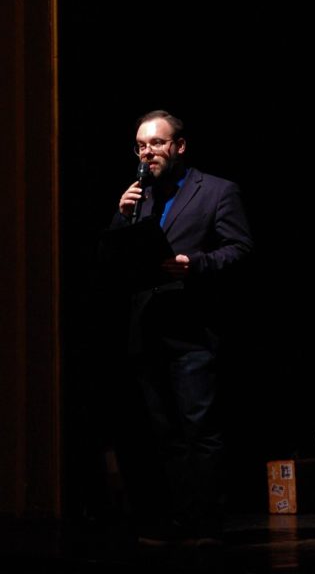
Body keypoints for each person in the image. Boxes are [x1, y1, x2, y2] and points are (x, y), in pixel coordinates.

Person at [106, 109, 254, 543]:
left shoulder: (217, 191)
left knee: (199, 429)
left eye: (156, 143)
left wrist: (197, 265)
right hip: (147, 329)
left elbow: (241, 248)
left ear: (179, 146)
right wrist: (120, 215)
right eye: (140, 145)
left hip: (192, 329)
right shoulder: (139, 197)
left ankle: (207, 522)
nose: (147, 152)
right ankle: (179, 519)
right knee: (164, 433)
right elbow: (112, 258)